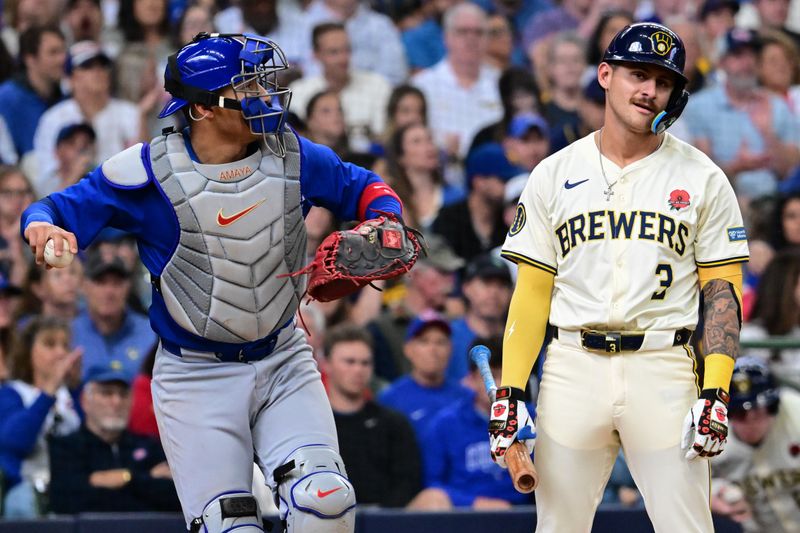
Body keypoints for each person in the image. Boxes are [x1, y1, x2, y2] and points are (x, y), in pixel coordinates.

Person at [21, 32, 404, 533]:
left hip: (283, 357)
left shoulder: (294, 154)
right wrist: (41, 227)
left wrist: (384, 219)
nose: (264, 97)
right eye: (246, 87)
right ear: (202, 109)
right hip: (195, 377)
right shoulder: (146, 171)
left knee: (326, 501)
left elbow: (366, 187)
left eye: (261, 83)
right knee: (229, 527)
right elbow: (53, 207)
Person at [488, 22, 750, 532]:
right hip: (572, 366)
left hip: (663, 366)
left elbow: (723, 292)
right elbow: (533, 292)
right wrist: (512, 389)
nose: (649, 90)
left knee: (688, 526)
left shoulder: (702, 178)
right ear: (605, 75)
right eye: (637, 74)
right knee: (558, 526)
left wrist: (716, 391)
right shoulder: (553, 172)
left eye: (664, 81)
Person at [411, 336, 533, 510]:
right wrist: (475, 503)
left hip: (523, 513)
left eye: (505, 376)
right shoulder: (445, 424)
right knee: (431, 499)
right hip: (464, 515)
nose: (499, 385)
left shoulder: (532, 417)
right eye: (492, 376)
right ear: (472, 379)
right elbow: (432, 483)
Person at [682, 28, 800, 201]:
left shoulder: (777, 106)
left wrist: (768, 134)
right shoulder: (698, 106)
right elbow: (696, 175)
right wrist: (736, 167)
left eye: (752, 55)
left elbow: (791, 171)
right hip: (720, 201)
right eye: (738, 55)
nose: (747, 63)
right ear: (721, 63)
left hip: (775, 204)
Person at [48, 365, 181, 513]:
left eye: (123, 394)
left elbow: (175, 498)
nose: (116, 402)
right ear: (85, 401)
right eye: (107, 393)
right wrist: (147, 478)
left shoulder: (151, 446)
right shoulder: (66, 447)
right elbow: (66, 502)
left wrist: (126, 477)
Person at [322, 324, 422, 507]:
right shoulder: (315, 426)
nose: (358, 370)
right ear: (327, 365)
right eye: (349, 362)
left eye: (365, 363)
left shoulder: (393, 424)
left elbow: (408, 482)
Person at [0, 317, 82, 517]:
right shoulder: (12, 393)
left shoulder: (75, 394)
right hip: (26, 485)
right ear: (28, 352)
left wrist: (75, 387)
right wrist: (48, 392)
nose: (60, 352)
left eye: (65, 345)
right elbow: (13, 443)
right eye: (50, 344)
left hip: (73, 483)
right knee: (22, 503)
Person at [710, 357, 800, 533]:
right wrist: (713, 493)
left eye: (758, 410)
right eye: (740, 413)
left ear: (773, 406)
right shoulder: (712, 436)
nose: (750, 421)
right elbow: (690, 482)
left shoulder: (795, 411)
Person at [289, 23, 391, 145]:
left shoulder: (377, 85)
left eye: (347, 50)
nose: (343, 58)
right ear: (316, 55)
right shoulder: (298, 91)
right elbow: (296, 142)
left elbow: (385, 137)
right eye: (334, 52)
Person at [378, 309, 470, 437]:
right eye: (424, 341)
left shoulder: (465, 397)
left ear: (450, 349)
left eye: (440, 342)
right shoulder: (390, 399)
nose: (433, 349)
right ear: (408, 349)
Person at [72, 251, 156, 384]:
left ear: (128, 287)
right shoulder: (69, 334)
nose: (109, 292)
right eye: (101, 282)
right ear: (83, 286)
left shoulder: (151, 333)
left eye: (117, 283)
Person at [0, 25, 65, 159]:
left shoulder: (65, 96)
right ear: (30, 59)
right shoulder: (7, 98)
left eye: (63, 51)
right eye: (53, 52)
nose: (62, 59)